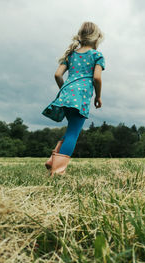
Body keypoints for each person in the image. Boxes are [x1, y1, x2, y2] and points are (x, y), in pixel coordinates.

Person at [41, 21, 105, 176]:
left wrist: (65, 91)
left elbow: (57, 75)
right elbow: (97, 78)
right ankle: (58, 171)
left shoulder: (71, 55)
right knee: (73, 134)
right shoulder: (97, 55)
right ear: (96, 39)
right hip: (81, 97)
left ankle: (52, 161)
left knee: (71, 130)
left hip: (67, 94)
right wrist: (98, 96)